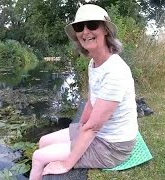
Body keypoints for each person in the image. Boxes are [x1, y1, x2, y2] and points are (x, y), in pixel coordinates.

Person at [29, 4, 138, 180]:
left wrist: (66, 163)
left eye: (92, 25)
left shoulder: (115, 71)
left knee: (38, 157)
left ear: (106, 30)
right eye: (80, 27)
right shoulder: (93, 63)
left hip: (113, 146)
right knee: (43, 142)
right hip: (100, 134)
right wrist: (80, 127)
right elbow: (90, 102)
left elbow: (93, 128)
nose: (85, 32)